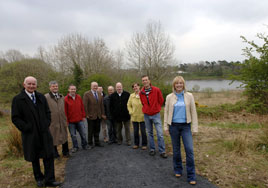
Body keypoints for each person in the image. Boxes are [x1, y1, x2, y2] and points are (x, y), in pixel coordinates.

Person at [11, 76, 61, 187]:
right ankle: (39, 178)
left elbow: (48, 112)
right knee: (35, 157)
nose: (31, 86)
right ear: (24, 85)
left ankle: (50, 179)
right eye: (29, 84)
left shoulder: (40, 97)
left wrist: (46, 123)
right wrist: (26, 127)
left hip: (44, 132)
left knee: (49, 156)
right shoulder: (18, 99)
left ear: (36, 85)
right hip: (30, 134)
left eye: (33, 84)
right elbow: (15, 118)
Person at [164, 76, 198, 185]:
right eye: (177, 83)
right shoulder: (169, 97)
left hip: (186, 126)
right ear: (174, 85)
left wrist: (195, 128)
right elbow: (166, 112)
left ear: (183, 84)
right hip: (173, 126)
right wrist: (165, 127)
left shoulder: (189, 96)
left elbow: (193, 112)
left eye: (181, 83)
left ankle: (191, 175)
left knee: (189, 150)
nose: (179, 85)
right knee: (176, 149)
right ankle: (178, 169)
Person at [140, 75, 167, 158]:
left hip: (156, 114)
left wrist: (156, 107)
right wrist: (147, 109)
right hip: (146, 115)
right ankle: (152, 149)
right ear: (142, 82)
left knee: (160, 133)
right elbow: (142, 102)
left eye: (146, 80)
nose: (145, 81)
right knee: (150, 133)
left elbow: (161, 100)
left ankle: (162, 151)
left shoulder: (156, 90)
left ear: (149, 80)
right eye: (143, 80)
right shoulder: (141, 92)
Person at [45, 81, 69, 158]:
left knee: (65, 136)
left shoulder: (61, 96)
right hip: (53, 121)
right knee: (53, 138)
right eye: (53, 86)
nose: (55, 88)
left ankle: (65, 152)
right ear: (50, 87)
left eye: (56, 86)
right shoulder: (46, 97)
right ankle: (55, 154)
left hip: (62, 120)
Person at [64, 84, 90, 152]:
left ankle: (85, 145)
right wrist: (66, 121)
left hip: (79, 120)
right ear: (68, 90)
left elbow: (82, 107)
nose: (73, 90)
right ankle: (75, 147)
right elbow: (65, 111)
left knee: (83, 134)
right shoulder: (66, 99)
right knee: (73, 135)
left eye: (74, 89)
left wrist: (83, 116)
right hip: (71, 121)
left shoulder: (78, 97)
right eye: (71, 89)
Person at [83, 82, 106, 147]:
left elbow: (101, 105)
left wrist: (102, 113)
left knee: (97, 129)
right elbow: (85, 105)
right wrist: (86, 114)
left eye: (96, 86)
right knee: (90, 130)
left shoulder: (99, 94)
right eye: (94, 86)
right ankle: (90, 143)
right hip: (90, 115)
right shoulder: (87, 94)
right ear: (91, 86)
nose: (95, 87)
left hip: (98, 115)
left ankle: (97, 142)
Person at [127, 83, 147, 150]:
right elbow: (128, 105)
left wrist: (146, 111)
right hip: (134, 116)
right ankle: (136, 144)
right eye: (134, 87)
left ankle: (144, 144)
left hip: (143, 116)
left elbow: (146, 104)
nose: (135, 88)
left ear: (139, 87)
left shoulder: (143, 94)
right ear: (133, 88)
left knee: (143, 131)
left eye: (136, 86)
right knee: (135, 131)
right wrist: (131, 111)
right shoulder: (131, 96)